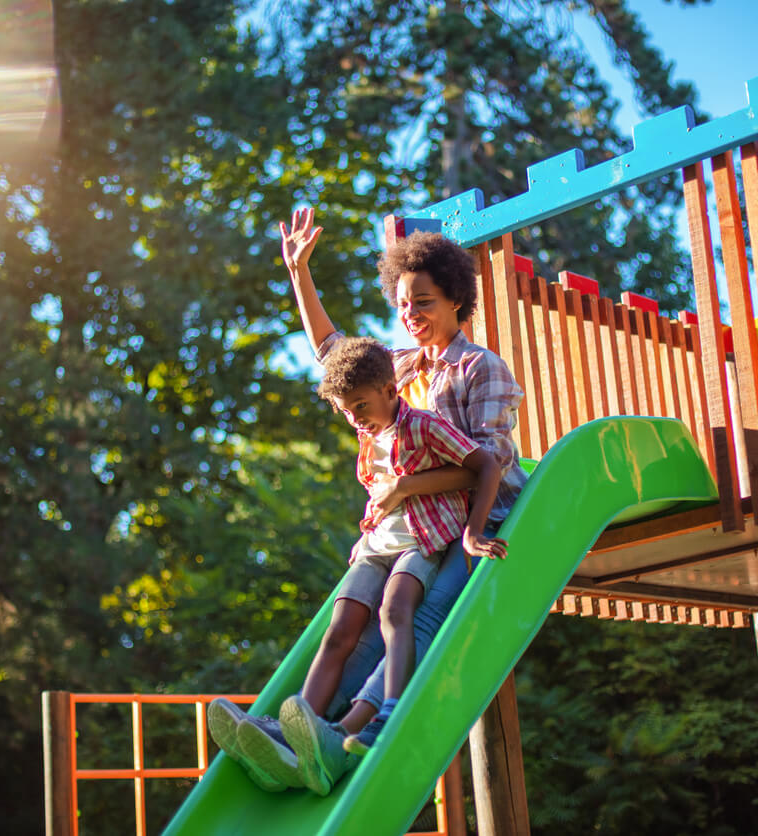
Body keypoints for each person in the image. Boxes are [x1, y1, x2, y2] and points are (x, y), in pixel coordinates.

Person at [210, 206, 528, 795]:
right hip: (410, 524)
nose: (411, 315)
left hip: (477, 517)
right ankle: (297, 735)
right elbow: (332, 352)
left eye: (424, 303)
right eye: (404, 305)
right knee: (353, 621)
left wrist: (405, 486)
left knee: (419, 614)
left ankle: (356, 728)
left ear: (456, 299)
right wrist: (299, 273)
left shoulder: (478, 368)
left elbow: (489, 462)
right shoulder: (397, 368)